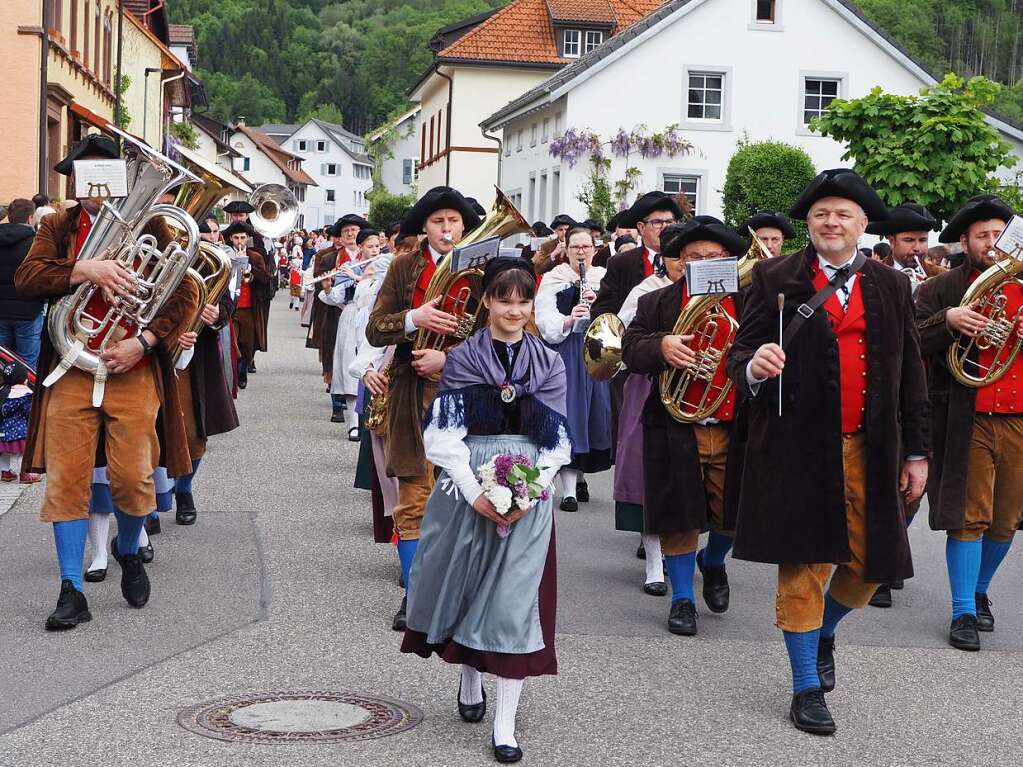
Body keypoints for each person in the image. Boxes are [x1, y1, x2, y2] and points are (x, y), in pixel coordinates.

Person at [725, 168, 929, 734]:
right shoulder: (772, 278)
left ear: (863, 225)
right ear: (808, 225)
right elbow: (738, 358)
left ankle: (825, 632)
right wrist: (754, 368)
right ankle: (805, 688)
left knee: (870, 568)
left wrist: (917, 451)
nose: (831, 222)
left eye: (842, 214)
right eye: (821, 214)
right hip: (795, 448)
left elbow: (912, 372)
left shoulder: (890, 285)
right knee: (803, 569)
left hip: (871, 449)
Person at [15, 133, 198, 631]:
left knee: (135, 477)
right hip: (72, 365)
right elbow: (27, 280)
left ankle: (127, 547)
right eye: (84, 172)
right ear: (74, 181)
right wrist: (82, 269)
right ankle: (71, 588)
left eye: (106, 171)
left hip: (130, 367)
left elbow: (184, 294)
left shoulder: (155, 227)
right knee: (66, 480)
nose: (94, 182)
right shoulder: (58, 224)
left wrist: (145, 341)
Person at [401, 256, 571, 765]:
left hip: (529, 487)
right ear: (487, 302)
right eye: (504, 299)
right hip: (467, 484)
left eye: (522, 300)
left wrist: (530, 491)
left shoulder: (551, 363)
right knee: (469, 588)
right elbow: (442, 437)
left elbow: (558, 444)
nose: (514, 310)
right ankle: (469, 676)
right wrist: (477, 491)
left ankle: (505, 725)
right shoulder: (462, 359)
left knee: (514, 601)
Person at [623, 218, 749, 635]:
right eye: (694, 258)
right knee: (677, 516)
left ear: (730, 262)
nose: (704, 264)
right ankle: (682, 599)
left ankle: (712, 562)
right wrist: (661, 345)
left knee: (736, 515)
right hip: (675, 425)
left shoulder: (750, 303)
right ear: (679, 261)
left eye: (714, 258)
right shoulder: (656, 302)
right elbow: (631, 349)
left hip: (734, 425)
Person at [366, 186, 481, 631]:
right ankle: (416, 596)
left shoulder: (483, 268)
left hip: (466, 396)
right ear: (425, 227)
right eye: (438, 222)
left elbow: (502, 329)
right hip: (411, 394)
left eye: (454, 221)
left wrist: (449, 358)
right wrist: (416, 320)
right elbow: (377, 328)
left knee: (467, 495)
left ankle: (459, 591)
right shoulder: (402, 266)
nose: (447, 229)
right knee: (413, 498)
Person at [915, 194, 1020, 651]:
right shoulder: (939, 289)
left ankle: (979, 592)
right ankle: (962, 611)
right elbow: (910, 342)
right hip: (966, 415)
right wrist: (949, 320)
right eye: (983, 236)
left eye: (1000, 235)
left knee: (1006, 521)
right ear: (964, 241)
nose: (993, 244)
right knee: (969, 517)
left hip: (1018, 417)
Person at [863, 202, 942, 607]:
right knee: (887, 483)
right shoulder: (877, 279)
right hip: (886, 393)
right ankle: (878, 568)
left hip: (926, 392)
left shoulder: (933, 279)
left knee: (913, 488)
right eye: (909, 240)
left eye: (923, 241)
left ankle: (890, 548)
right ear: (890, 241)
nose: (917, 248)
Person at [535, 227, 612, 511]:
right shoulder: (554, 278)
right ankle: (568, 491)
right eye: (575, 247)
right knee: (571, 413)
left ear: (594, 249)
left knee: (594, 412)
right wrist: (568, 320)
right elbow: (544, 319)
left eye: (586, 246)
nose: (581, 251)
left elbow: (619, 316)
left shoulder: (603, 277)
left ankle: (580, 479)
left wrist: (598, 304)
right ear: (566, 249)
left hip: (598, 349)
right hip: (567, 351)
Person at [612, 242, 672, 595]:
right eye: (681, 255)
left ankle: (707, 557)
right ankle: (654, 560)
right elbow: (620, 336)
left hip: (699, 389)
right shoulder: (646, 292)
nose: (688, 262)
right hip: (648, 384)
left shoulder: (714, 290)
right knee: (644, 468)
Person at [320, 227, 381, 440]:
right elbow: (337, 298)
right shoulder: (348, 266)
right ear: (361, 247)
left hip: (374, 317)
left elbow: (376, 292)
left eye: (377, 246)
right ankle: (353, 424)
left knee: (372, 368)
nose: (375, 250)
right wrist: (328, 287)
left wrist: (357, 278)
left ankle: (373, 421)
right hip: (351, 318)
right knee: (350, 369)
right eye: (370, 247)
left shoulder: (385, 266)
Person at [224, 221, 270, 390]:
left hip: (250, 307)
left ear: (248, 238)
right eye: (236, 237)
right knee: (233, 343)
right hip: (231, 307)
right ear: (231, 238)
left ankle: (243, 368)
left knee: (248, 345)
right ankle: (236, 373)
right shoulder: (226, 254)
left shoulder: (256, 256)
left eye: (243, 237)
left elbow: (265, 279)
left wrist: (250, 270)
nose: (239, 241)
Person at [0, 198, 45, 369]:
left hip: (1, 312)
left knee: (1, 366)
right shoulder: (37, 244)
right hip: (28, 311)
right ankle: (25, 395)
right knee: (26, 367)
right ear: (30, 218)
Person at [0, 359, 33, 482]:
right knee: (22, 453)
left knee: (3, 453)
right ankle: (24, 474)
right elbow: (29, 412)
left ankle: (5, 472)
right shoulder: (24, 394)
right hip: (20, 432)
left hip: (2, 431)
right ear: (24, 379)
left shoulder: (3, 393)